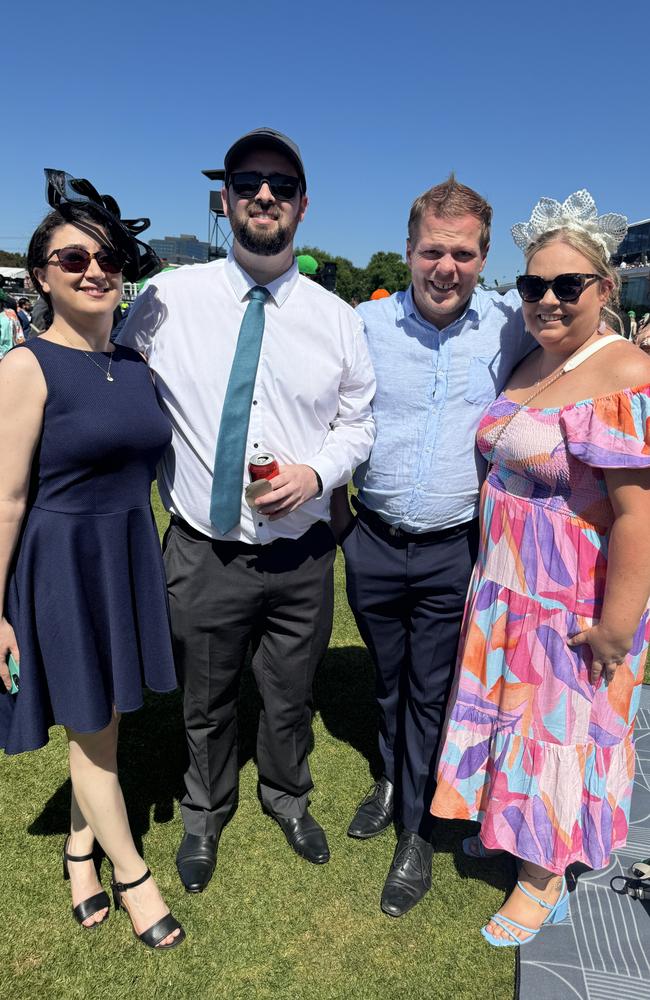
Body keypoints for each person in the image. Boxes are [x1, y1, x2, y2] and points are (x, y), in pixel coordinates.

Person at [117, 127, 375, 892]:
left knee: (291, 692)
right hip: (204, 547)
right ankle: (204, 813)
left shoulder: (338, 319)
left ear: (302, 206)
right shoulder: (167, 298)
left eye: (282, 186)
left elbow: (359, 421)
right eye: (249, 181)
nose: (266, 195)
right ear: (225, 199)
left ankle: (287, 796)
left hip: (299, 552)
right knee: (206, 695)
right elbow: (122, 388)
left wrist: (319, 471)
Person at [432, 190, 650, 947]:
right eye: (533, 285)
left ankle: (542, 876)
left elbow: (638, 516)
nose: (548, 299)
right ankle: (511, 827)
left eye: (568, 285)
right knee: (510, 719)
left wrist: (618, 625)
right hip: (505, 590)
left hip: (570, 602)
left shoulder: (623, 368)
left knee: (554, 732)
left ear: (605, 289)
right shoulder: (531, 357)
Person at [333, 176, 534, 917]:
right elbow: (331, 418)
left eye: (462, 253)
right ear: (407, 251)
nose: (445, 267)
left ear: (483, 259)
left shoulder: (512, 327)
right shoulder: (364, 326)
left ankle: (416, 831)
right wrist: (339, 519)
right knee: (388, 679)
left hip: (457, 547)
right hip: (375, 540)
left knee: (433, 689)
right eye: (431, 251)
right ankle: (389, 778)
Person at [0, 199, 185, 950]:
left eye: (106, 258)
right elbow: (6, 498)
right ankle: (136, 877)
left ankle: (80, 854)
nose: (94, 270)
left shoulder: (134, 366)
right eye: (73, 259)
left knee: (102, 723)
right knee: (90, 729)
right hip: (59, 567)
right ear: (42, 278)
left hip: (125, 555)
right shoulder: (24, 366)